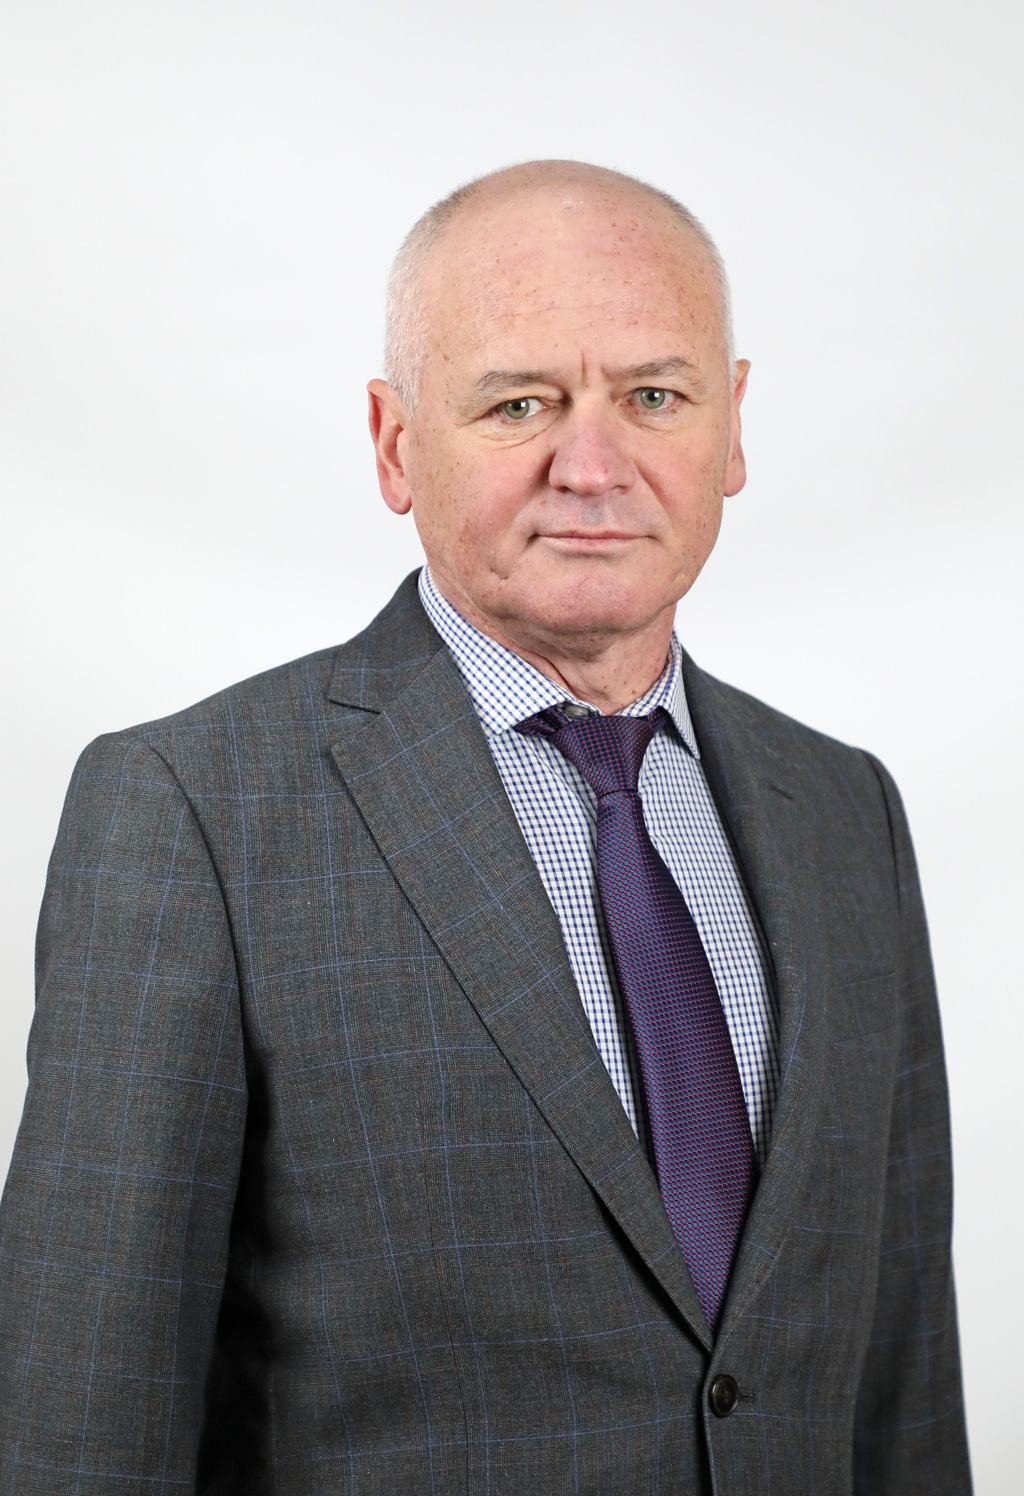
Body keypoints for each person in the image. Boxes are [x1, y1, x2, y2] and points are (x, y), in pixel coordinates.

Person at [0, 160, 970, 1494]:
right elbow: (80, 1425)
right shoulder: (194, 811)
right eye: (521, 403)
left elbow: (906, 1391)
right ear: (396, 444)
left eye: (655, 397)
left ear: (733, 427)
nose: (594, 466)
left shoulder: (847, 814)